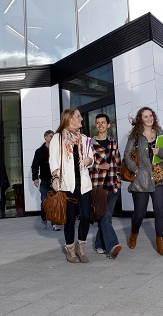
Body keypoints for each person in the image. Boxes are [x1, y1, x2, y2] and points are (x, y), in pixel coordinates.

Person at [123, 106, 163, 256]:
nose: (149, 118)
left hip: (159, 175)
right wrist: (136, 170)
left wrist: (160, 151)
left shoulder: (160, 134)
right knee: (140, 212)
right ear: (140, 119)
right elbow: (127, 156)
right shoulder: (135, 136)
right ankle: (134, 233)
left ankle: (161, 244)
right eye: (145, 116)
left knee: (160, 210)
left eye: (150, 116)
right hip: (142, 178)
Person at [49, 108, 95, 263]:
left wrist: (89, 161)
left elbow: (91, 156)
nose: (81, 118)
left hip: (83, 184)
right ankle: (70, 250)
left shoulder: (84, 138)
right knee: (69, 219)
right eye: (78, 116)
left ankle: (81, 248)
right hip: (67, 185)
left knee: (86, 216)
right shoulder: (58, 138)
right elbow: (53, 160)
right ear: (69, 119)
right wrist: (55, 177)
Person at [89, 113, 123, 259]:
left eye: (103, 122)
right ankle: (112, 246)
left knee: (105, 215)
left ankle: (98, 244)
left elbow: (118, 163)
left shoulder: (113, 143)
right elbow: (85, 165)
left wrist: (119, 180)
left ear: (108, 125)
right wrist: (98, 165)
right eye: (98, 123)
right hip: (98, 186)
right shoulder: (90, 144)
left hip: (113, 185)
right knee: (105, 215)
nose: (100, 125)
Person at [32, 130, 60, 231]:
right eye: (51, 137)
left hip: (55, 180)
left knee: (55, 202)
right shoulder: (39, 152)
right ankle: (44, 218)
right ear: (46, 138)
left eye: (53, 137)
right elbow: (35, 166)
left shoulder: (57, 150)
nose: (52, 138)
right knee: (45, 202)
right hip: (44, 180)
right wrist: (35, 178)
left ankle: (55, 223)